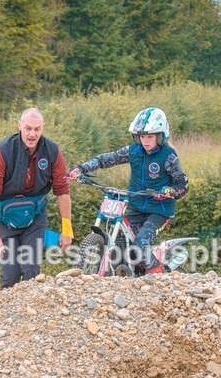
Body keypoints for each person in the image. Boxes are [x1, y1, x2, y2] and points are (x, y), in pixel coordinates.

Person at [68, 107, 188, 274]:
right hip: (136, 206)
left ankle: (158, 275)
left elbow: (183, 185)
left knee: (139, 245)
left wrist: (170, 191)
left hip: (159, 211)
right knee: (119, 243)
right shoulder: (133, 150)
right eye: (142, 136)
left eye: (150, 136)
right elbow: (107, 159)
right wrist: (80, 169)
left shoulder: (168, 156)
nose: (145, 141)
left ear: (160, 136)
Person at [0, 108, 73, 289]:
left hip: (35, 219)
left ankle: (31, 315)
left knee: (32, 270)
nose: (32, 134)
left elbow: (62, 191)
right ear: (19, 126)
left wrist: (67, 230)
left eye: (37, 129)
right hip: (5, 220)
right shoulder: (2, 152)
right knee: (10, 276)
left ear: (43, 128)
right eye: (28, 128)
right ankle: (7, 313)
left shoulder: (53, 151)